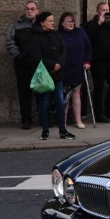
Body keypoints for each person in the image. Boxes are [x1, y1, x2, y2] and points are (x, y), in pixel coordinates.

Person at [29, 12, 75, 141]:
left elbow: (63, 50)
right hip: (45, 75)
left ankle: (63, 130)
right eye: (50, 21)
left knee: (60, 102)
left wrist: (58, 64)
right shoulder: (35, 37)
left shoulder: (56, 34)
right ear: (42, 23)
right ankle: (45, 130)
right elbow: (36, 56)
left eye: (53, 20)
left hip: (57, 74)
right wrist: (52, 65)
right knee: (44, 102)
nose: (53, 23)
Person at [83, 2, 110, 123]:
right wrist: (99, 23)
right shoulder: (92, 24)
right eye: (103, 10)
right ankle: (98, 113)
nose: (105, 12)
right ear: (97, 11)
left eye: (107, 10)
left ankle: (109, 109)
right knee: (99, 88)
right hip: (98, 61)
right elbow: (90, 36)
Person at [5, 1, 39, 129]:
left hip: (38, 64)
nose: (29, 11)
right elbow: (10, 42)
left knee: (42, 91)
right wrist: (18, 55)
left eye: (32, 9)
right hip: (22, 64)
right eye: (27, 9)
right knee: (24, 93)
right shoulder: (16, 26)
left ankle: (43, 118)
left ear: (37, 11)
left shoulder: (41, 25)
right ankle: (26, 120)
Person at [58, 12, 92, 129]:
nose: (71, 23)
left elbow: (88, 47)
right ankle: (63, 121)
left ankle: (78, 120)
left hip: (78, 68)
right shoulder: (58, 35)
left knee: (76, 94)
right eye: (68, 21)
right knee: (64, 96)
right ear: (62, 23)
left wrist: (87, 61)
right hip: (64, 69)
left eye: (72, 21)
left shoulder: (80, 32)